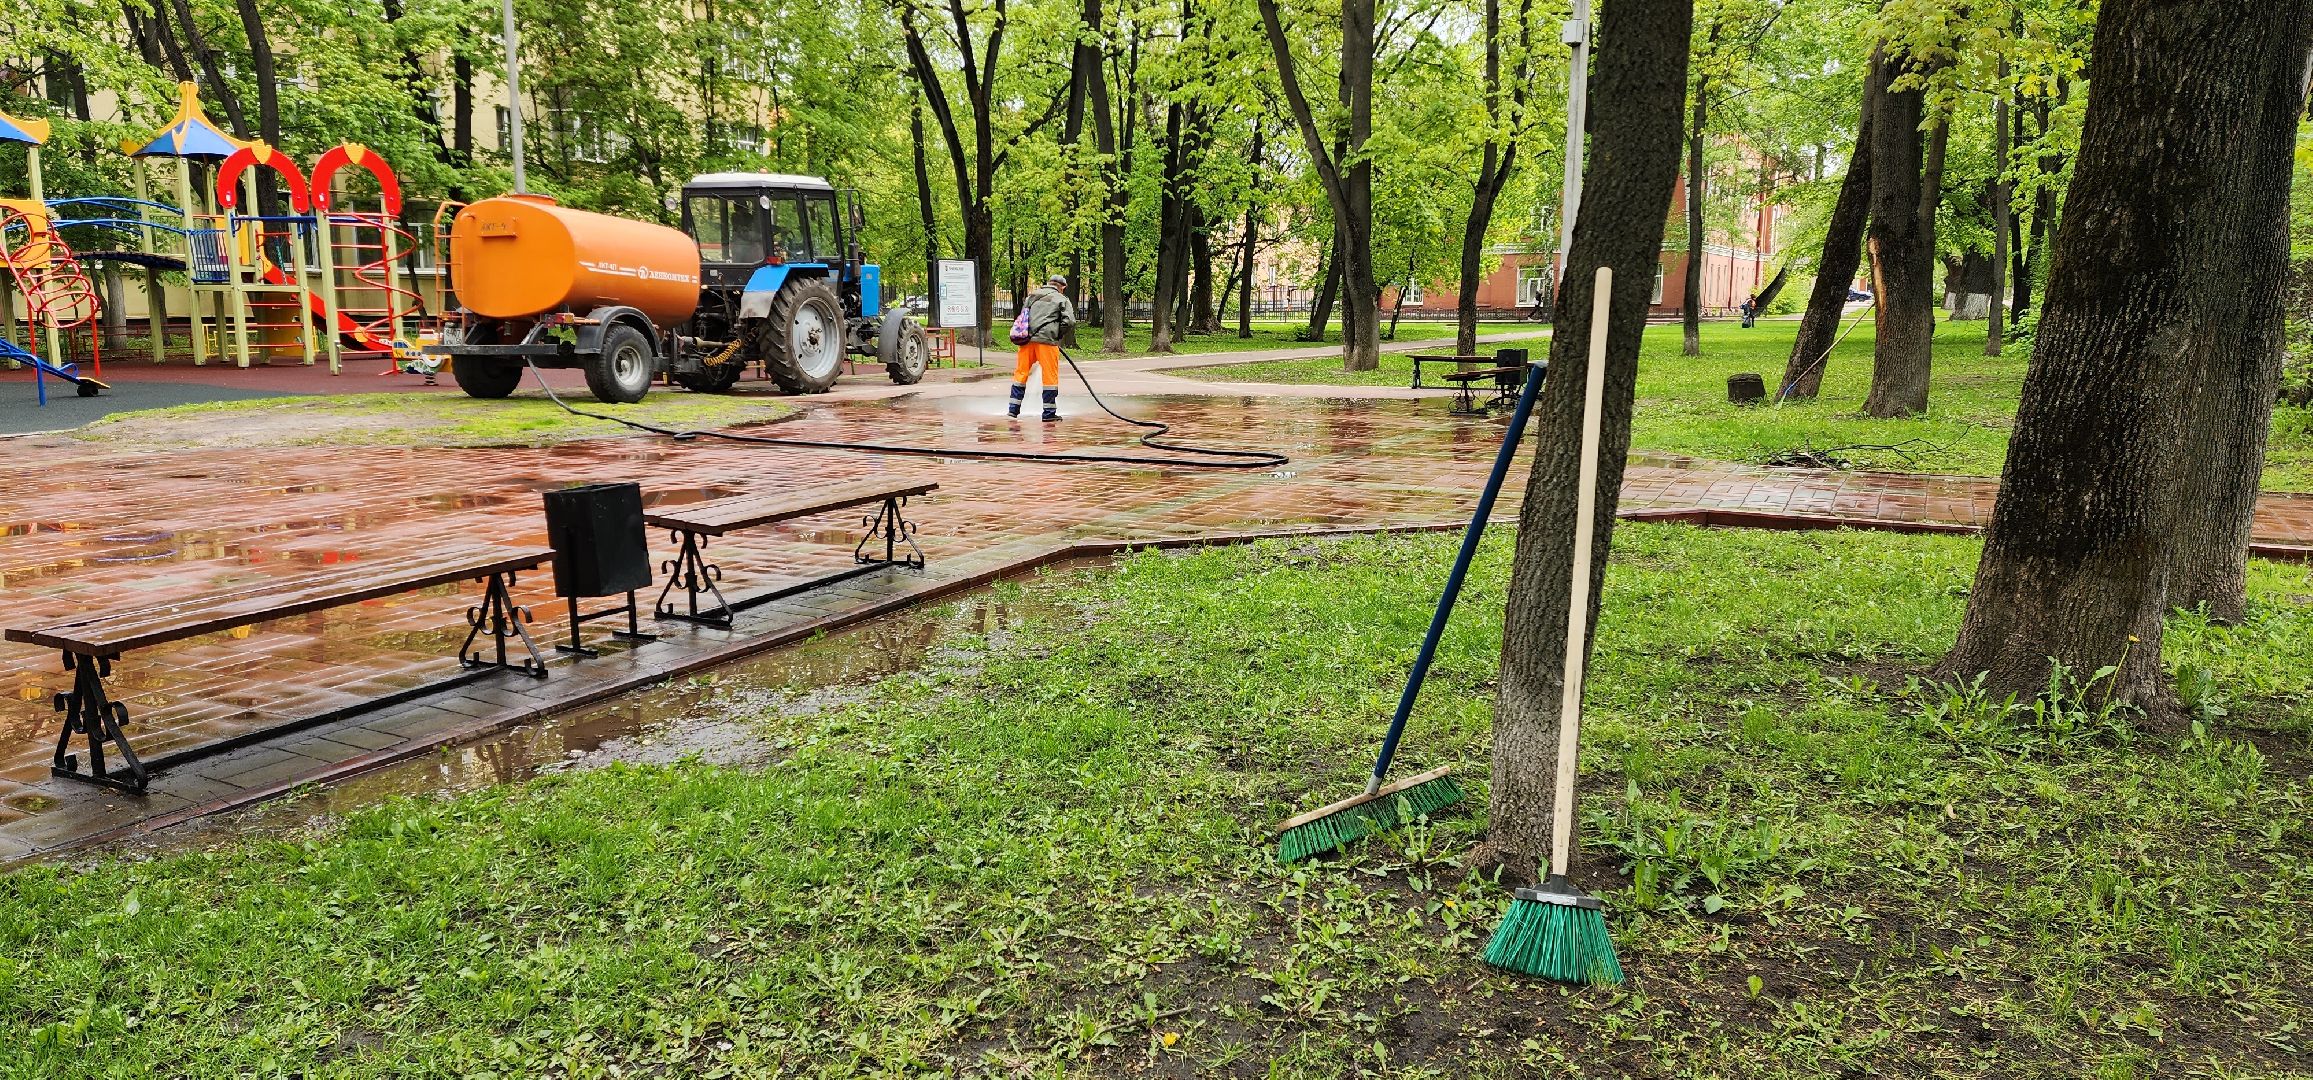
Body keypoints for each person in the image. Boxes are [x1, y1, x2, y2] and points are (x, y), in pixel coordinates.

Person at [1009, 274, 1076, 421]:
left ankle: (1013, 410)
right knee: (1049, 376)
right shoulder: (1062, 299)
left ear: (1049, 283)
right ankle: (1048, 413)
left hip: (1026, 340)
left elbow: (1023, 316)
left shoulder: (1032, 296)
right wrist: (1057, 334)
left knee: (1021, 374)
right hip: (1047, 342)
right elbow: (1069, 321)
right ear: (1062, 287)